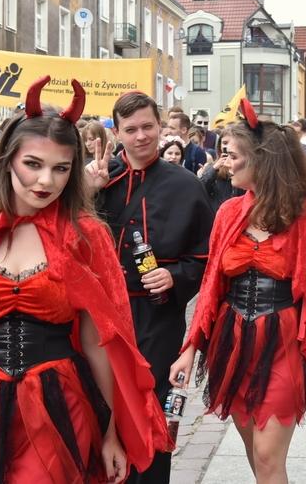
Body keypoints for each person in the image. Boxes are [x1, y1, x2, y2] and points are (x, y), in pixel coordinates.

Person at [0, 76, 171, 483]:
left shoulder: (86, 235)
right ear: (8, 159)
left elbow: (101, 342)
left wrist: (111, 431)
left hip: (59, 404)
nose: (46, 181)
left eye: (61, 168)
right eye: (33, 164)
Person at [170, 100, 306, 483]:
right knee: (259, 457)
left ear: (261, 161)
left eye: (233, 155)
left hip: (283, 342)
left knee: (268, 458)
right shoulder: (228, 212)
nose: (225, 164)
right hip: (233, 343)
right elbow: (211, 285)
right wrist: (191, 349)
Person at [87, 91, 214, 483]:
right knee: (101, 404)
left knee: (152, 407)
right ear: (117, 133)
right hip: (102, 316)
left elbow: (206, 257)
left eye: (147, 127)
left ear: (160, 127)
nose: (140, 136)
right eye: (131, 129)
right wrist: (87, 191)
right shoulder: (99, 178)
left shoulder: (186, 186)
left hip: (157, 317)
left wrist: (175, 276)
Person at [198, 129, 245, 211]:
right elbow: (201, 188)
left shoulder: (242, 166)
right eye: (224, 143)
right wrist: (214, 169)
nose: (227, 147)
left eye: (231, 143)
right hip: (217, 212)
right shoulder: (212, 166)